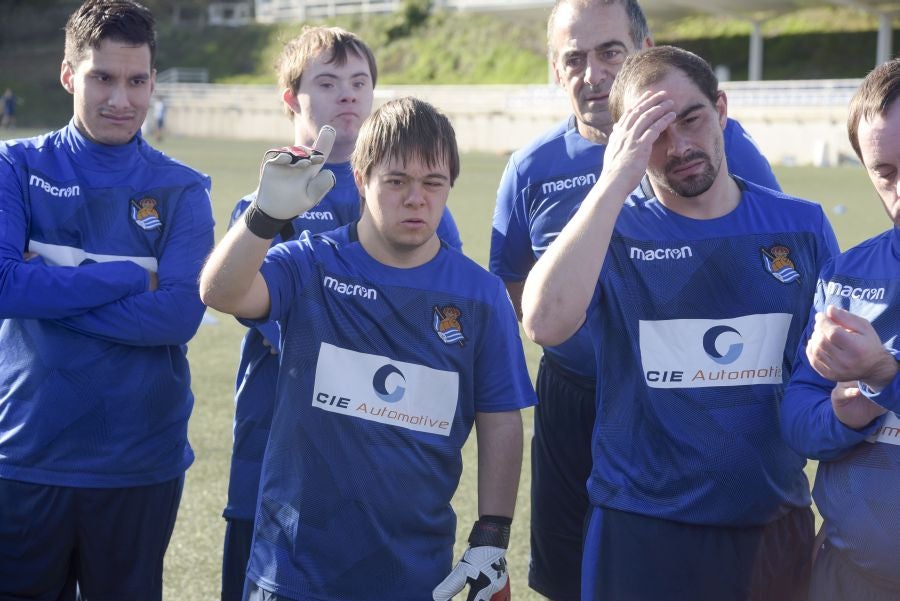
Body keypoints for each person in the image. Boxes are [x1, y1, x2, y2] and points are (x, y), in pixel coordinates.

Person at [521, 46, 839, 600]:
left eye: (690, 119)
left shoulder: (801, 226)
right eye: (653, 134)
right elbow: (544, 322)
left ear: (721, 108)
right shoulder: (613, 232)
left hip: (773, 529)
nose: (680, 147)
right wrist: (613, 181)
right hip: (642, 533)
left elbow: (834, 372)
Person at [490, 1, 781, 598]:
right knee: (573, 576)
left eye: (609, 53)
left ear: (644, 51)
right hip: (576, 399)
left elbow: (771, 259)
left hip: (687, 401)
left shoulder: (720, 145)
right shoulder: (530, 168)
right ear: (554, 68)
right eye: (574, 58)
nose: (592, 74)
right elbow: (513, 284)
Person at [202, 97, 534, 601]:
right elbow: (221, 292)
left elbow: (501, 419)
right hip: (294, 571)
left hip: (414, 574)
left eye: (432, 183)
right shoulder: (311, 263)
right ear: (361, 180)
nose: (416, 199)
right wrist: (263, 216)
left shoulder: (479, 295)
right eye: (396, 180)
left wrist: (492, 534)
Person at [219, 26, 464, 601]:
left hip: (382, 475)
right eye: (327, 82)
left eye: (360, 82)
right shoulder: (264, 209)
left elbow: (433, 334)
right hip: (273, 472)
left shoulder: (418, 208)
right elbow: (287, 331)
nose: (348, 95)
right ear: (291, 99)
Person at [0, 1, 214, 600]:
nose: (121, 98)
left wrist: (46, 289)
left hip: (137, 461)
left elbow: (177, 315)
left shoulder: (182, 189)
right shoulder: (14, 167)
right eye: (102, 77)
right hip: (25, 452)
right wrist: (125, 277)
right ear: (69, 74)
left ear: (152, 79)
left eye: (137, 80)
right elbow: (3, 286)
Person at [780, 58, 899, 600]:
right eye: (886, 172)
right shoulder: (848, 274)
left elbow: (881, 377)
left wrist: (882, 375)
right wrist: (840, 415)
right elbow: (799, 421)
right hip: (847, 577)